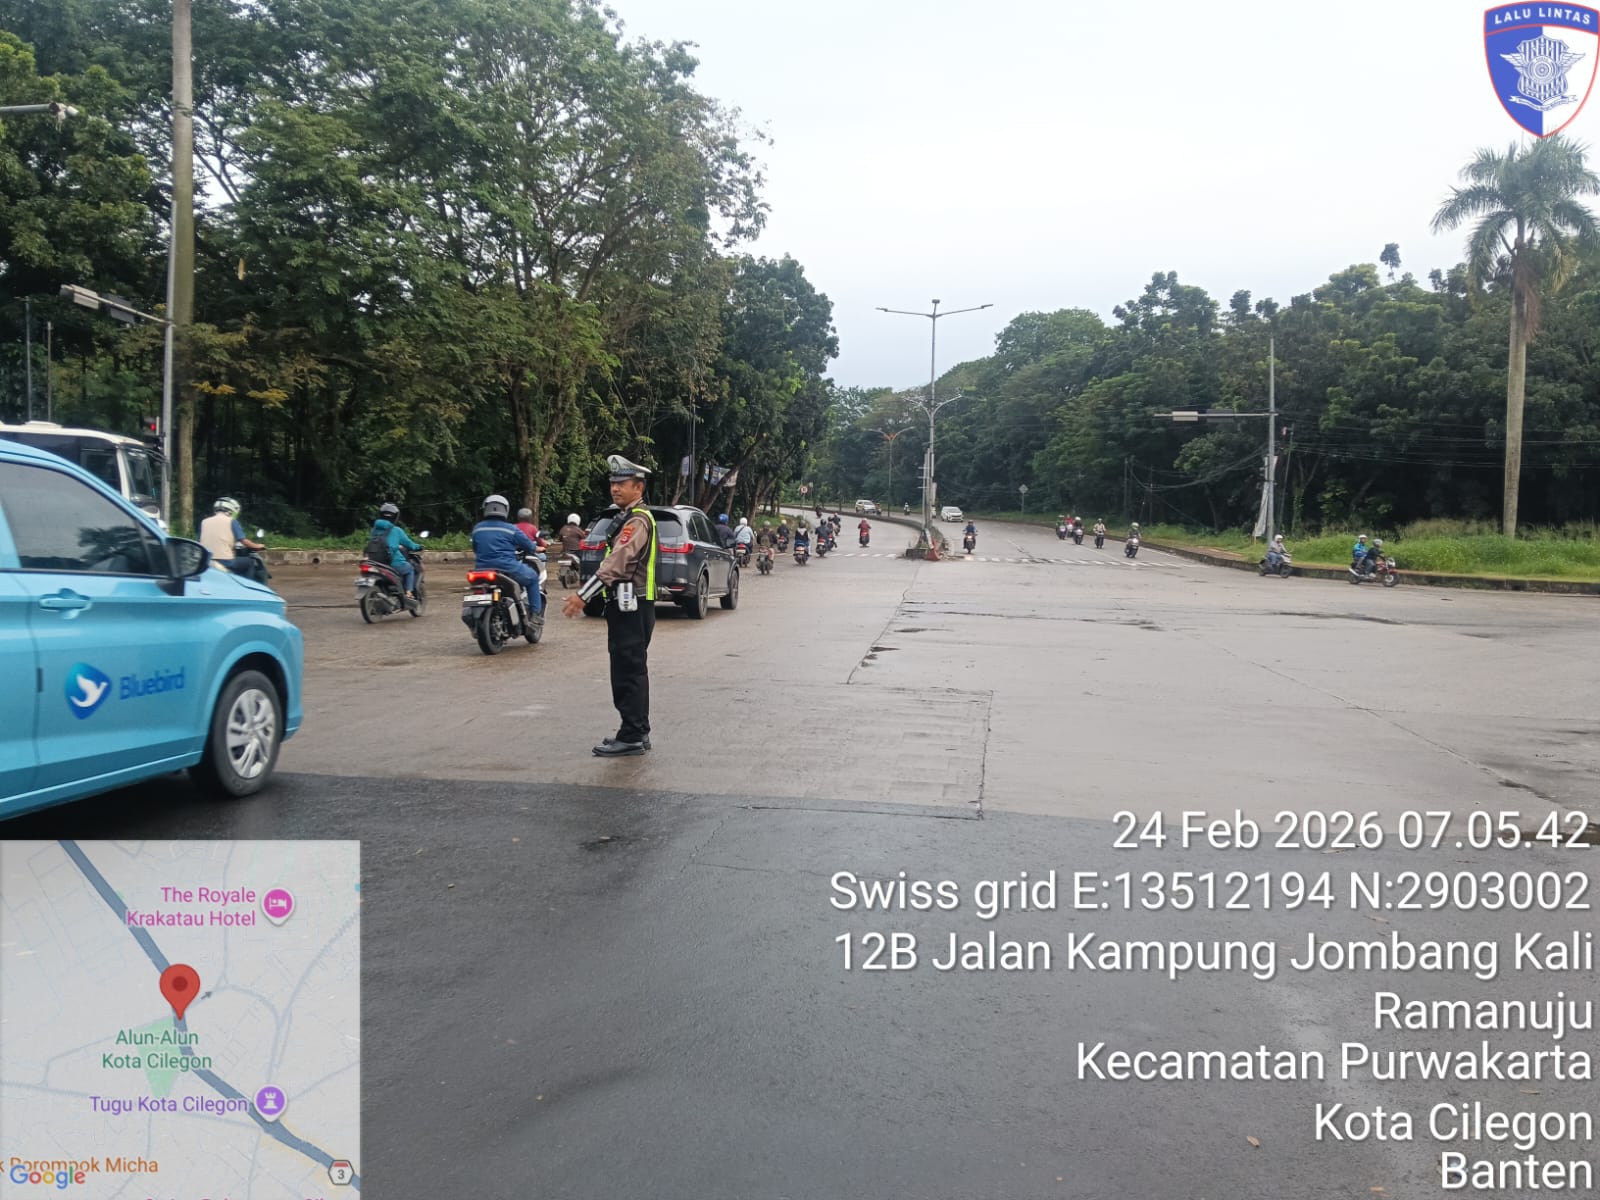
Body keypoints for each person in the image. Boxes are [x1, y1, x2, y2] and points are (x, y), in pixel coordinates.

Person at [565, 456, 657, 756]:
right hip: (630, 605)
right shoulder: (628, 517)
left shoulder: (637, 520)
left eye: (622, 484)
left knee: (627, 672)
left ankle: (631, 736)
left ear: (638, 487)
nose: (615, 489)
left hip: (631, 606)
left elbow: (617, 561)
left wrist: (584, 595)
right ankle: (637, 731)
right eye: (613, 483)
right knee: (631, 669)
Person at [472, 494, 543, 616]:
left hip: (481, 569)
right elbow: (530, 546)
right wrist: (538, 548)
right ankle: (536, 614)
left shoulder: (477, 529)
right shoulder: (511, 529)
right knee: (533, 578)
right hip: (507, 568)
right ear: (505, 509)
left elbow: (475, 549)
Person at [200, 497, 267, 583]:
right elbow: (244, 541)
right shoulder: (231, 521)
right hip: (225, 561)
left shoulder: (204, 522)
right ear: (231, 510)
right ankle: (247, 586)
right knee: (250, 562)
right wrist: (258, 546)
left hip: (206, 560)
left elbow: (200, 540)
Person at [368, 502, 422, 605]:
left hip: (375, 561)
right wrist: (418, 546)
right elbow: (409, 544)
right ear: (395, 517)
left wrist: (396, 546)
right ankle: (408, 593)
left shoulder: (374, 530)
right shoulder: (396, 530)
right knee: (410, 569)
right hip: (392, 562)